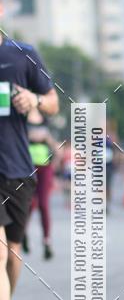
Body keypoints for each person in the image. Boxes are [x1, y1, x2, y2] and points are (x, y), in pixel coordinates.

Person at [0, 23, 59, 300]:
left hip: (18, 169)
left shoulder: (21, 54)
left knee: (13, 253)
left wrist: (33, 99)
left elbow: (52, 103)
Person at [23, 107, 61, 259]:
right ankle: (23, 233)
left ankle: (47, 241)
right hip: (28, 168)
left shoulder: (45, 119)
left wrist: (56, 164)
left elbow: (53, 144)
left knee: (44, 205)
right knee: (30, 204)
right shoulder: (22, 117)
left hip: (45, 168)